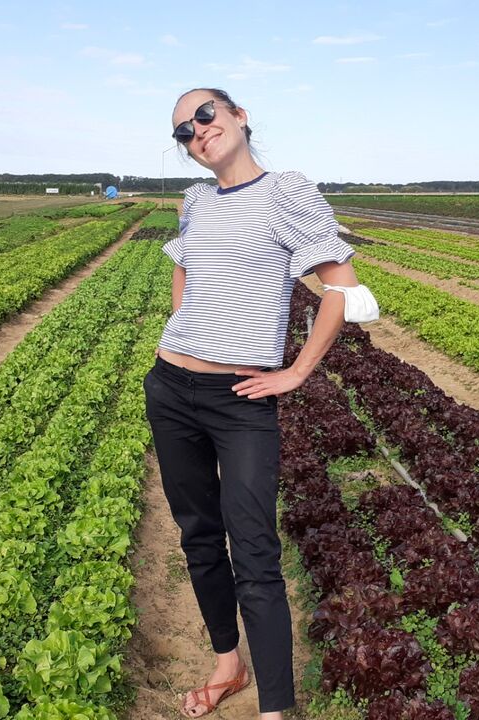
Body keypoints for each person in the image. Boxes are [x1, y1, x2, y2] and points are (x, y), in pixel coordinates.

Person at [143, 87, 375, 719]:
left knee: (254, 551)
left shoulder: (286, 191)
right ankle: (227, 664)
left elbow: (344, 291)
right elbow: (184, 266)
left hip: (239, 399)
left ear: (240, 116)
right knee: (197, 534)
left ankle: (275, 710)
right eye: (183, 132)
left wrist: (297, 371)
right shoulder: (194, 198)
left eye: (205, 116)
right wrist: (186, 328)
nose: (197, 132)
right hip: (169, 387)